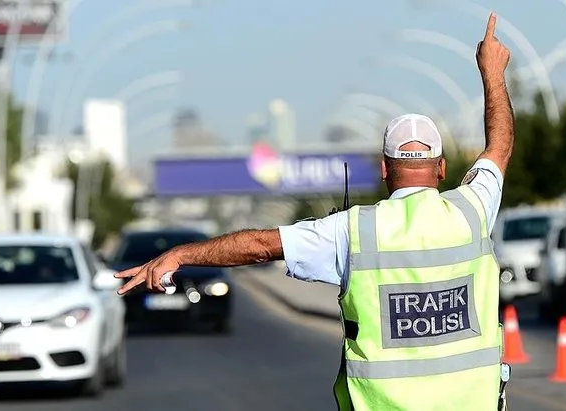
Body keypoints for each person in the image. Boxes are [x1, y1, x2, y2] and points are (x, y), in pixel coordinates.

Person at [116, 12, 513, 411]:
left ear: (384, 169)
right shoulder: (473, 210)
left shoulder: (354, 231)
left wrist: (180, 255)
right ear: (442, 169)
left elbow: (257, 246)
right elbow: (499, 146)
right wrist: (491, 72)